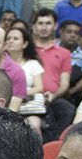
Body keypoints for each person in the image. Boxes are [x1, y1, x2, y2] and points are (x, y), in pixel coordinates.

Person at [31, 10, 78, 139]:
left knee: (67, 109)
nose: (44, 27)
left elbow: (65, 83)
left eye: (48, 23)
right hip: (29, 96)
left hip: (53, 99)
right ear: (34, 26)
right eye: (40, 23)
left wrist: (54, 95)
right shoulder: (27, 49)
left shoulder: (64, 53)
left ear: (55, 26)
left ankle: (58, 146)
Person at [5, 26, 46, 135]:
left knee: (34, 125)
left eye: (15, 39)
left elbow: (39, 87)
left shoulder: (33, 64)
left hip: (27, 108)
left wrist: (18, 94)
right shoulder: (1, 64)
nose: (10, 41)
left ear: (25, 44)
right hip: (5, 106)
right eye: (8, 38)